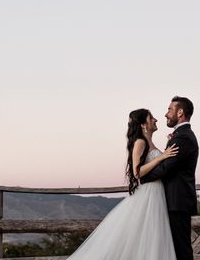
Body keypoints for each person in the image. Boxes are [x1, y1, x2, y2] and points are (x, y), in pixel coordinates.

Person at [67, 108, 179, 260]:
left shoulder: (150, 142)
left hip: (157, 192)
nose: (155, 120)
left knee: (152, 236)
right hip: (149, 193)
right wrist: (161, 158)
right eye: (151, 117)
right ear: (142, 125)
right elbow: (137, 172)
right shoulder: (140, 142)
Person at [141, 96, 199, 260]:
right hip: (172, 201)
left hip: (177, 202)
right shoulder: (180, 135)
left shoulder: (183, 137)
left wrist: (141, 177)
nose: (166, 114)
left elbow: (166, 168)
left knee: (181, 251)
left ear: (180, 113)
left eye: (169, 110)